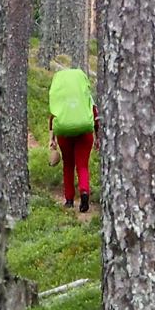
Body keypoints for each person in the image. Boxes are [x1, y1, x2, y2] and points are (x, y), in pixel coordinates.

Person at [46, 58, 96, 213]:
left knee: (68, 165)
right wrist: (98, 136)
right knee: (82, 166)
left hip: (65, 134)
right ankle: (84, 193)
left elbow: (53, 117)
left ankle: (68, 200)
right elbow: (95, 113)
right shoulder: (84, 95)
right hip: (85, 133)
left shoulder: (60, 97)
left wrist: (52, 139)